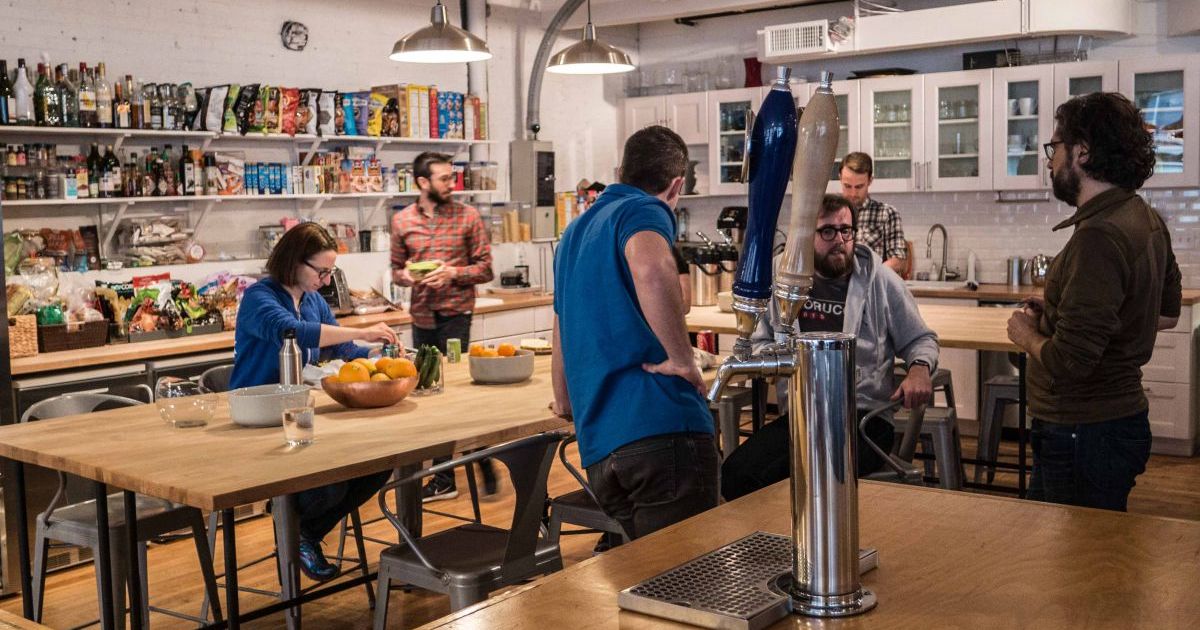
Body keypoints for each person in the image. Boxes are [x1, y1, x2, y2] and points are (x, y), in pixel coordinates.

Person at [1006, 92, 1182, 512]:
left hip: (1082, 430)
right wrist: (1063, 314)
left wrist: (1026, 334)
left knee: (1072, 564)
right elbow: (1163, 313)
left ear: (1081, 153)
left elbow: (1072, 361)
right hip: (1110, 425)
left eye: (1055, 148)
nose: (1050, 161)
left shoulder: (1098, 236)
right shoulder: (1144, 217)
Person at [552, 125, 718, 541]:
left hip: (600, 449)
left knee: (646, 580)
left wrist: (564, 398)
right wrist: (683, 359)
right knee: (686, 578)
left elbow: (561, 322)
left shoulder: (574, 231)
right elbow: (651, 266)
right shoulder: (644, 210)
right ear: (676, 184)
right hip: (661, 430)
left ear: (620, 170)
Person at [721, 194, 938, 501]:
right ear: (805, 236)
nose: (840, 240)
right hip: (802, 415)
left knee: (782, 481)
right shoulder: (781, 279)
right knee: (736, 475)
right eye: (827, 232)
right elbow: (759, 341)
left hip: (864, 421)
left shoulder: (880, 281)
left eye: (846, 230)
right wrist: (769, 359)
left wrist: (919, 369)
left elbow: (920, 338)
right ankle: (783, 545)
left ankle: (813, 546)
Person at [231, 222, 398, 581]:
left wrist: (378, 353)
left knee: (378, 464)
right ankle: (293, 525)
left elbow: (344, 351)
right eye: (321, 271)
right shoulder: (261, 298)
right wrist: (362, 330)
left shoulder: (314, 301)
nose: (325, 280)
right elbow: (291, 331)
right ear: (294, 260)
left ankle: (304, 532)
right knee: (331, 476)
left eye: (330, 272)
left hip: (299, 414)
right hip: (258, 417)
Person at [391, 151, 496, 502]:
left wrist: (452, 272)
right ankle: (445, 476)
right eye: (444, 178)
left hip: (456, 314)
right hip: (421, 317)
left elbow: (485, 268)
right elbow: (395, 271)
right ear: (423, 182)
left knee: (460, 394)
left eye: (452, 177)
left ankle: (479, 459)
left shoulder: (467, 217)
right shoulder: (403, 221)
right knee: (429, 396)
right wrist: (406, 276)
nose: (452, 183)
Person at [839, 152, 908, 275]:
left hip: (873, 290)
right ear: (840, 178)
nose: (853, 193)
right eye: (847, 186)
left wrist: (868, 277)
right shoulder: (833, 215)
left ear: (870, 180)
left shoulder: (886, 214)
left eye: (859, 186)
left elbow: (899, 261)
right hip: (838, 290)